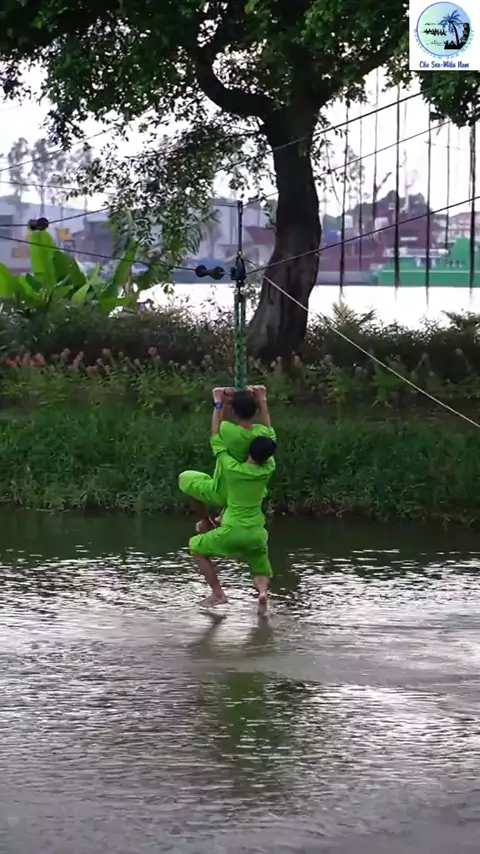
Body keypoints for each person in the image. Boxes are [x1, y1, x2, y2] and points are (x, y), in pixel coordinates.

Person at [189, 385, 276, 616]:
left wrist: (219, 402)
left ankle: (218, 593)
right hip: (256, 532)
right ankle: (262, 593)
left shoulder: (232, 468)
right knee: (259, 563)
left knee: (196, 546)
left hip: (233, 529)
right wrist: (262, 400)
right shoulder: (269, 467)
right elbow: (269, 433)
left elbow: (216, 436)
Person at [178, 385, 275, 532]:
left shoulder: (229, 432)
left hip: (222, 492)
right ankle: (223, 515)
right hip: (246, 495)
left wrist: (219, 402)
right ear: (256, 411)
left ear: (234, 412)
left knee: (186, 478)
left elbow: (218, 427)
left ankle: (206, 521)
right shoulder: (264, 435)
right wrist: (262, 400)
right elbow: (267, 424)